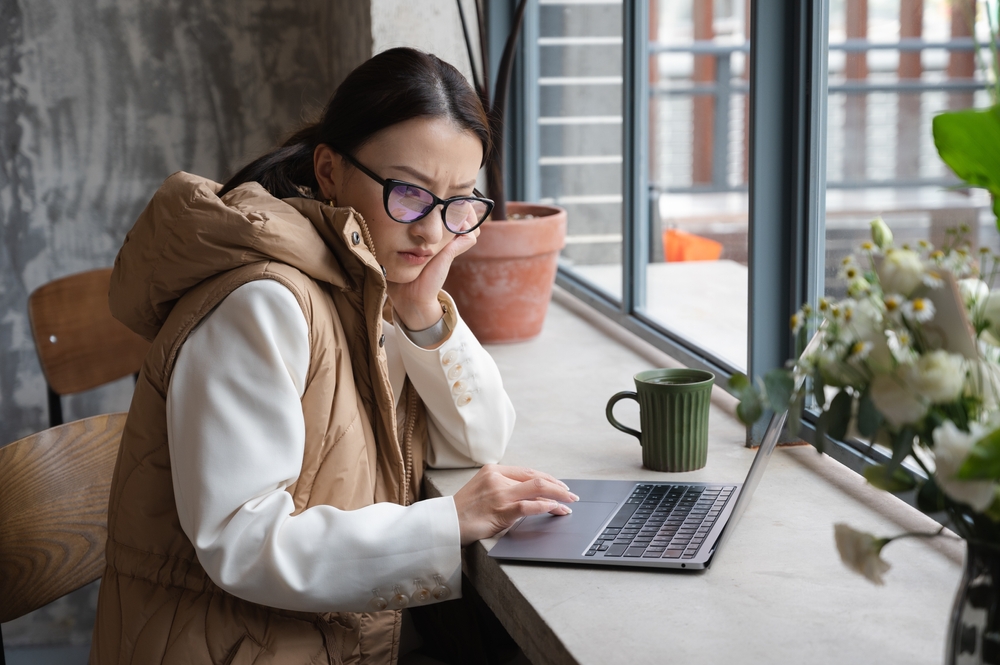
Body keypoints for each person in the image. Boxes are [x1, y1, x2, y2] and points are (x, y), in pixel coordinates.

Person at [90, 47, 577, 665]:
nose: (432, 231)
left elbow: (479, 440)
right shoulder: (262, 304)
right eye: (408, 193)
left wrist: (425, 306)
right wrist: (445, 523)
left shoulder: (370, 286)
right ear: (328, 170)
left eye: (458, 201)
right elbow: (241, 540)